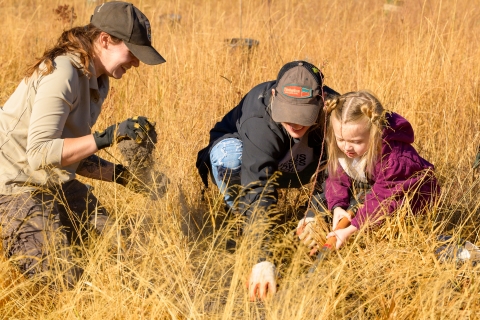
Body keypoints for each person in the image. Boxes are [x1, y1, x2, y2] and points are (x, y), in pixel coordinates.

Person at [0, 1, 165, 288]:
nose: (136, 63)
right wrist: (108, 137)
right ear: (105, 40)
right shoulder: (62, 72)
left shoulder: (98, 79)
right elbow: (40, 154)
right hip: (13, 186)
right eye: (132, 53)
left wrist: (125, 178)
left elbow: (69, 152)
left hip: (53, 181)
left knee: (122, 248)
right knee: (63, 280)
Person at [196, 61, 339, 301]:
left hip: (299, 164)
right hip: (245, 162)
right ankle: (244, 225)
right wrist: (263, 258)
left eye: (303, 114)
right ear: (274, 95)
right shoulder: (259, 116)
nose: (294, 122)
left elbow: (339, 168)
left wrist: (316, 212)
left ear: (321, 102)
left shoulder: (336, 109)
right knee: (230, 158)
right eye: (287, 112)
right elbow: (257, 186)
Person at [298, 91, 439, 250]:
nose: (347, 147)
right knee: (332, 197)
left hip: (412, 200)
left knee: (384, 228)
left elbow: (384, 201)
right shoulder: (346, 148)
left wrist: (351, 230)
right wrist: (337, 207)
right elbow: (337, 178)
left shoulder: (394, 159)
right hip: (377, 188)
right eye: (341, 139)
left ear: (375, 133)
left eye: (356, 141)